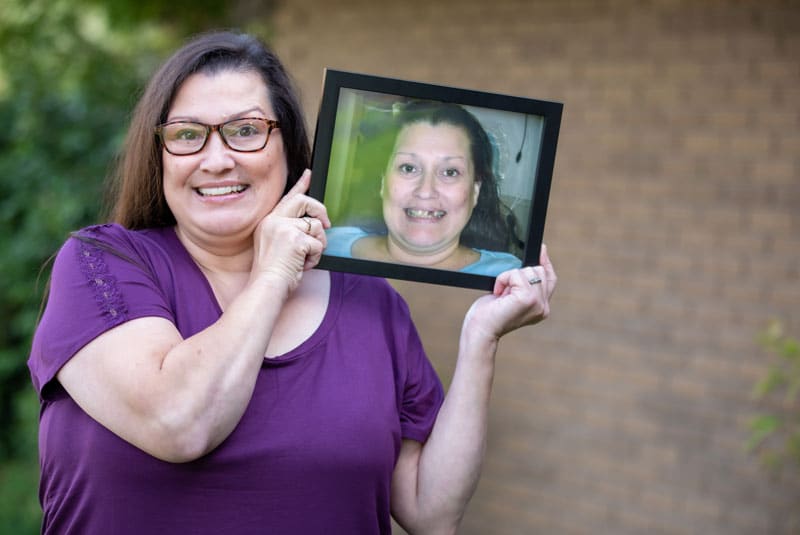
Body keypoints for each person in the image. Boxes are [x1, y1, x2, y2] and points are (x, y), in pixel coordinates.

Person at [27, 31, 556, 535]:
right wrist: (274, 273)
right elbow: (179, 423)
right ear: (160, 153)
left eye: (247, 130)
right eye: (187, 135)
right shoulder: (101, 264)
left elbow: (430, 512)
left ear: (289, 147)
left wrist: (481, 339)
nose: (217, 160)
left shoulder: (373, 304)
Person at [325, 100, 524, 276]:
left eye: (450, 172)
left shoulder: (510, 278)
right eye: (408, 168)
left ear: (475, 191)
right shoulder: (325, 246)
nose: (425, 190)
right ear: (383, 182)